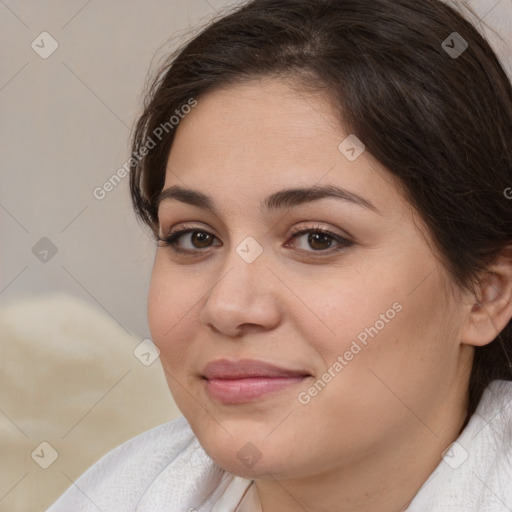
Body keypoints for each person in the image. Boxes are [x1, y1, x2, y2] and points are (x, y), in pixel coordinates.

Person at [47, 0, 512, 510]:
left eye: (318, 238)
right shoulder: (112, 495)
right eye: (195, 238)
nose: (227, 307)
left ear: (486, 294)